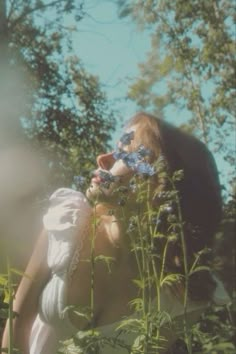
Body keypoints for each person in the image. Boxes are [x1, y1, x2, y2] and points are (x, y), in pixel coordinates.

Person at [1, 112, 230, 354]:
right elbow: (17, 324)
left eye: (124, 153)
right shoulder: (67, 223)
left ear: (158, 183)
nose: (103, 158)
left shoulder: (182, 295)